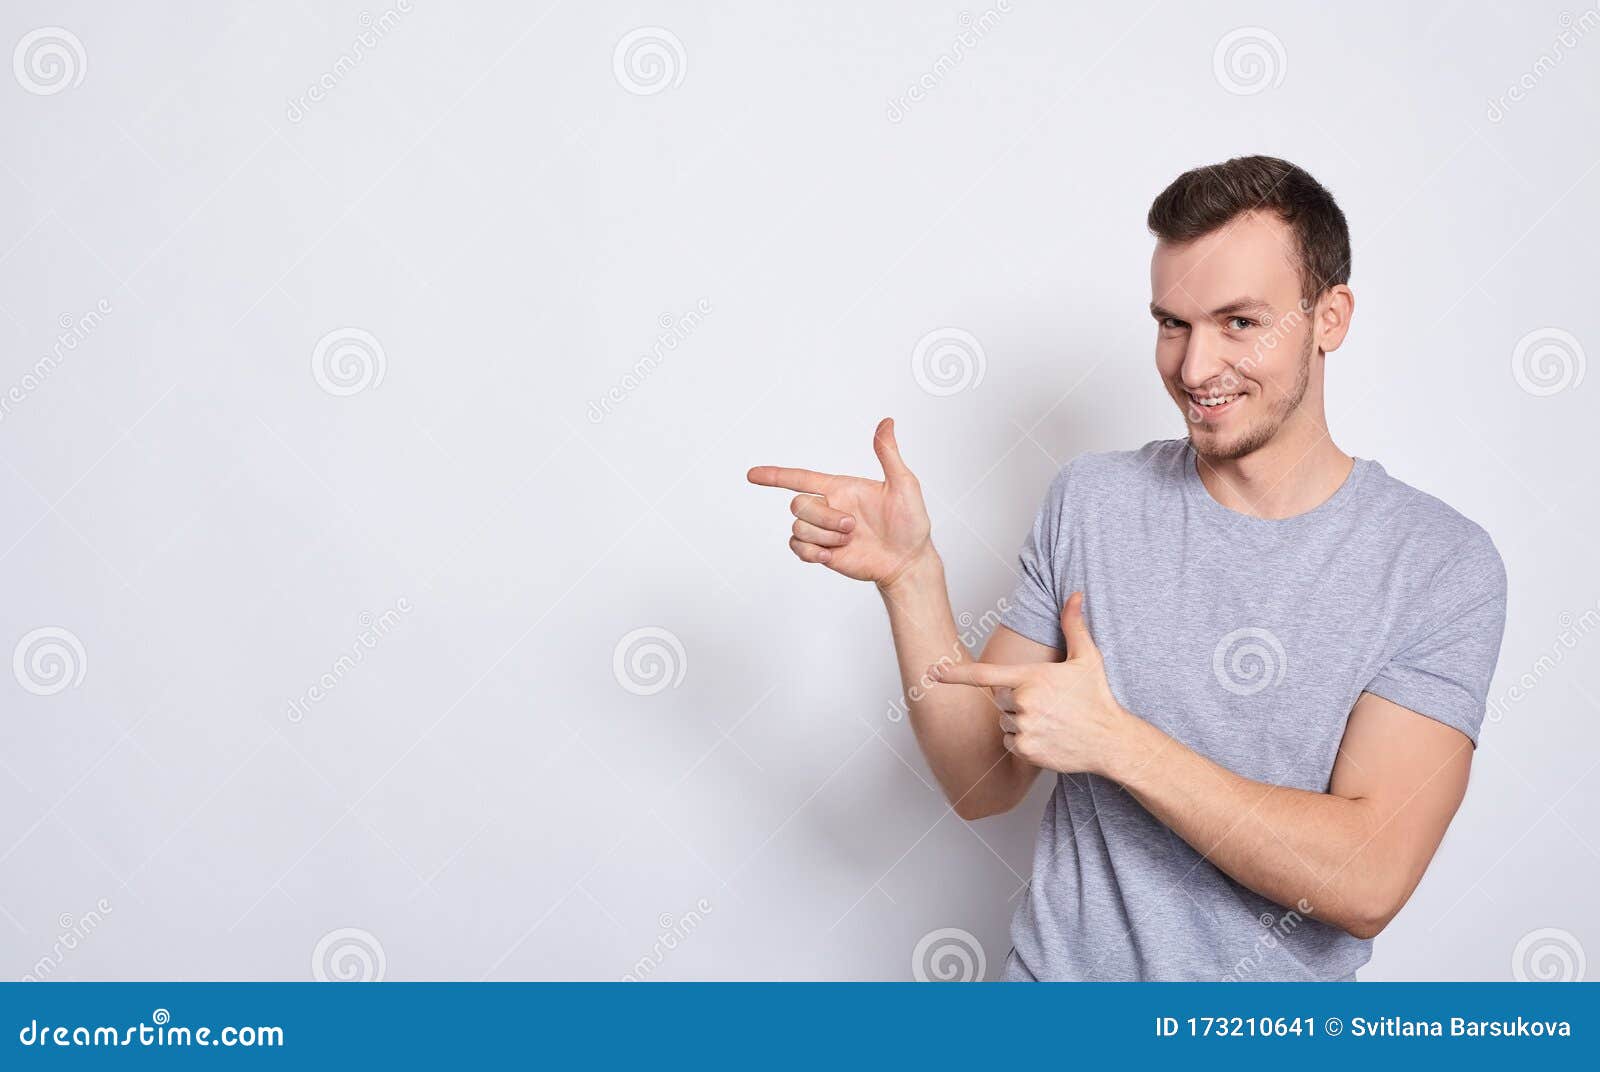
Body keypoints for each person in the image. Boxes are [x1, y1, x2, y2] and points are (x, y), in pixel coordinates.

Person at [746, 156, 1507, 981]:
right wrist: (911, 579)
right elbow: (983, 782)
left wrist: (1120, 746)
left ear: (1330, 317)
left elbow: (1367, 878)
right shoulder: (1093, 500)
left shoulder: (1437, 564)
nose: (1193, 368)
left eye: (1239, 323)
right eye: (1172, 323)